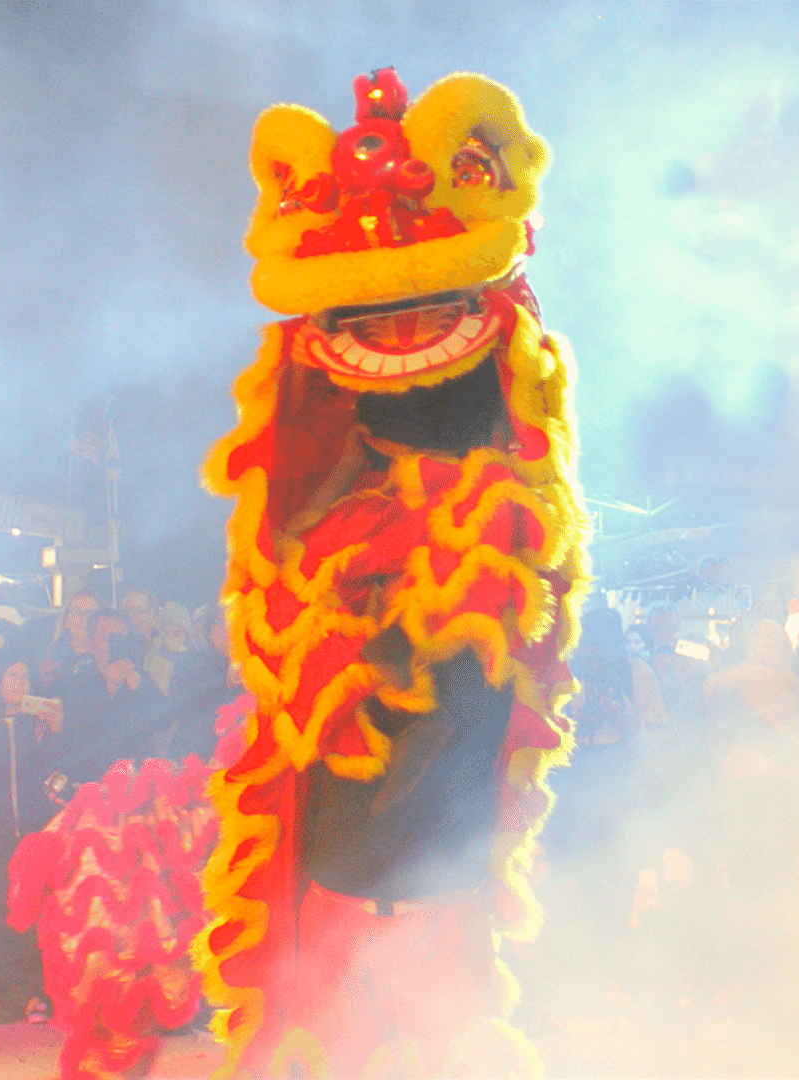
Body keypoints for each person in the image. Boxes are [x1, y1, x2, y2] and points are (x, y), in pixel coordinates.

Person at [192, 68, 589, 1079]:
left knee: (423, 953)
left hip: (430, 826)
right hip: (355, 831)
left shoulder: (497, 523)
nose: (397, 339)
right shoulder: (338, 528)